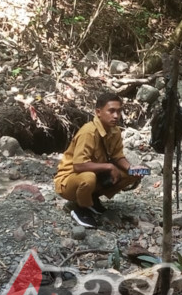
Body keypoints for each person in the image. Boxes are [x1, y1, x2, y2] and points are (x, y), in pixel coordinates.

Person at [55, 92, 139, 228]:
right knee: (88, 178)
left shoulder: (115, 131)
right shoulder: (88, 132)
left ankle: (91, 199)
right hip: (69, 180)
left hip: (96, 174)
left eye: (119, 111)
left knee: (131, 173)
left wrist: (131, 169)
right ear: (98, 112)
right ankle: (80, 208)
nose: (116, 116)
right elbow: (78, 166)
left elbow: (118, 156)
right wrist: (109, 167)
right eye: (111, 111)